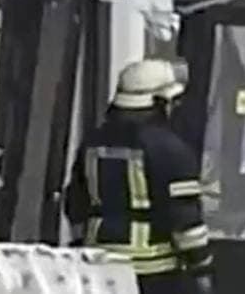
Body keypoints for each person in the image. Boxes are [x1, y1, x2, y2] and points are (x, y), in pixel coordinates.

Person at [66, 58, 215, 294]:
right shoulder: (170, 148)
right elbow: (184, 217)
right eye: (172, 101)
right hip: (153, 271)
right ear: (159, 101)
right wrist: (202, 266)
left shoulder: (93, 141)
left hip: (98, 266)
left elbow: (75, 202)